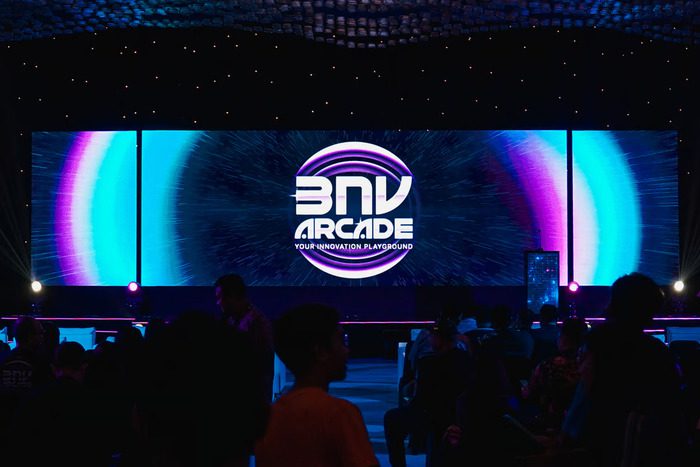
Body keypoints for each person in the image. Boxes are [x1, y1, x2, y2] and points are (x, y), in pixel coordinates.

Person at [562, 273, 686, 466]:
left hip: (604, 447)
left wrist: (565, 438)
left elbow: (583, 400)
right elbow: (674, 409)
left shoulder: (598, 344)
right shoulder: (659, 352)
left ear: (615, 304)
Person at [255, 304, 378, 467]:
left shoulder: (269, 418)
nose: (346, 351)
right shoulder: (339, 414)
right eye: (341, 341)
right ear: (321, 352)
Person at [385, 319, 474, 467]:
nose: (429, 340)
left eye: (432, 336)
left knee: (392, 418)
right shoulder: (467, 360)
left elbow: (422, 399)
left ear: (439, 338)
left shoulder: (429, 363)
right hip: (461, 416)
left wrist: (410, 391)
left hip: (434, 416)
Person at [215, 273, 274, 401]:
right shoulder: (232, 320)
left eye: (220, 297)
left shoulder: (257, 324)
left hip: (249, 400)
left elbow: (257, 366)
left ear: (232, 296)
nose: (218, 303)